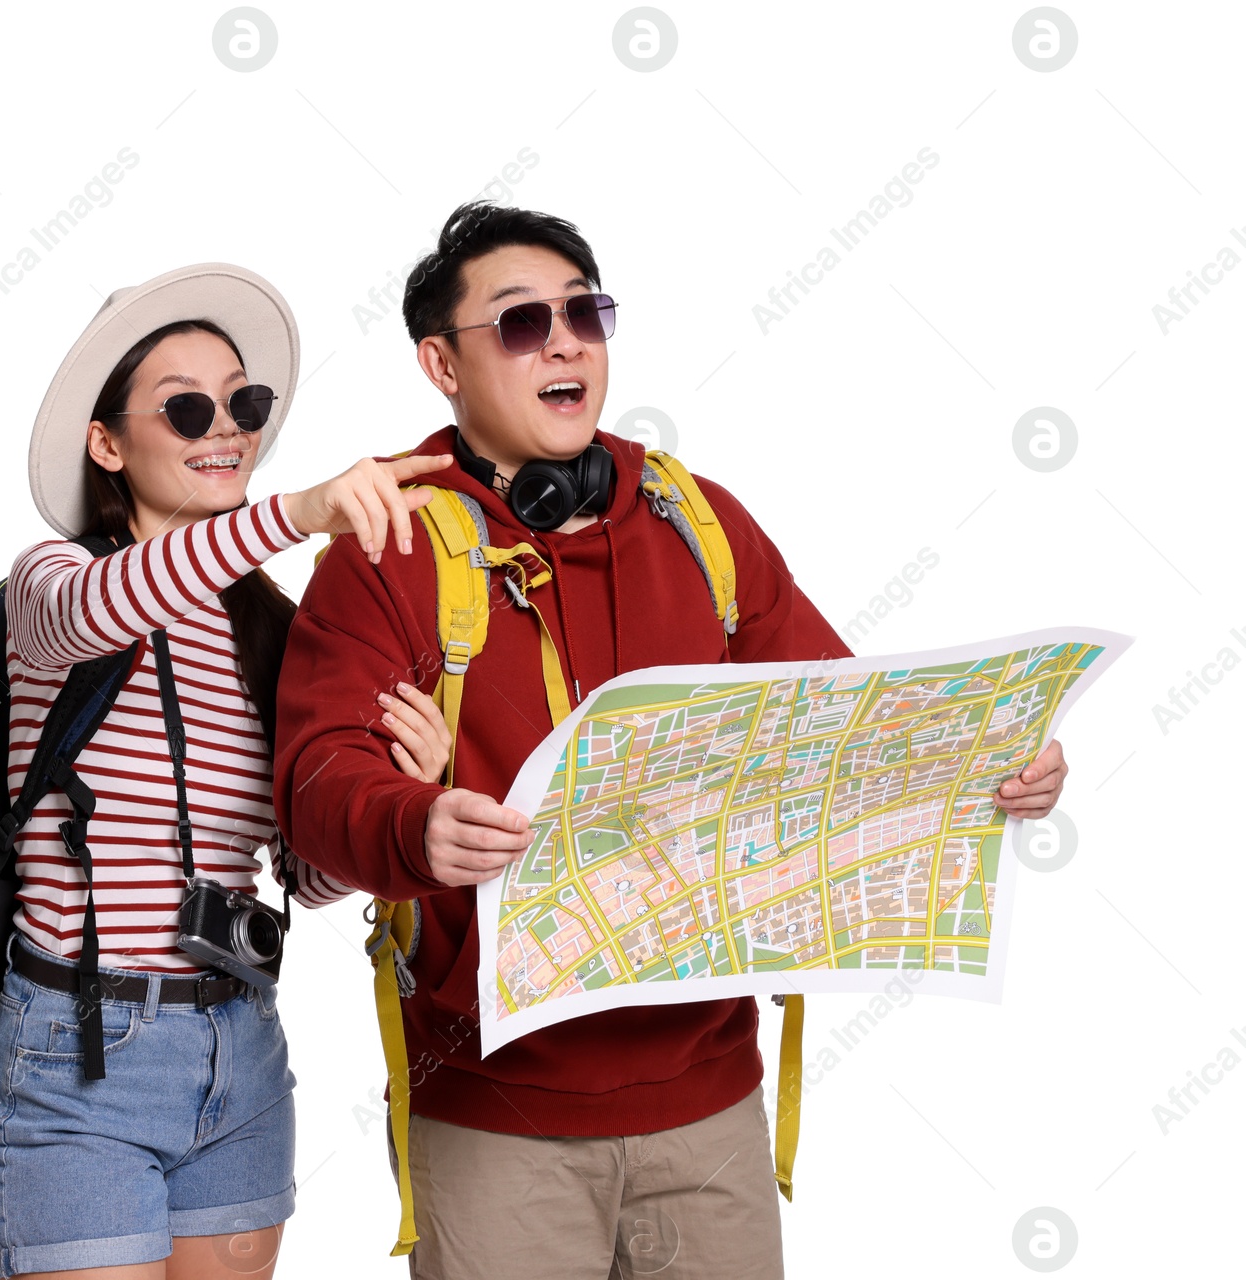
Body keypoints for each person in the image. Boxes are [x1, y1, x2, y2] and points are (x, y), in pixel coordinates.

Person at [272, 205, 1070, 1279]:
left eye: (582, 314)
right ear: (440, 365)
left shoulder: (697, 520)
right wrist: (411, 820)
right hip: (494, 1113)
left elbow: (841, 725)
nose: (563, 342)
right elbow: (316, 780)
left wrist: (982, 767)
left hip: (709, 1107)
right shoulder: (385, 543)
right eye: (518, 323)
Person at [0, 263, 454, 1280]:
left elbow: (307, 872)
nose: (223, 427)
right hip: (77, 1053)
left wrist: (398, 800)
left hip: (239, 1050)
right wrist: (301, 509)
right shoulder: (51, 584)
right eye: (185, 407)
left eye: (242, 402)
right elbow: (106, 607)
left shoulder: (270, 629)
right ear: (108, 443)